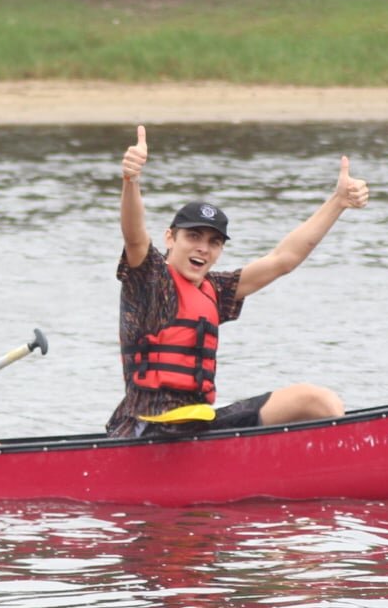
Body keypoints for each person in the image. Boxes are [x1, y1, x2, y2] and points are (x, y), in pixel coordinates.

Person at [107, 125, 369, 439]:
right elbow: (134, 237)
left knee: (318, 401)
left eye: (214, 242)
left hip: (197, 425)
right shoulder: (150, 280)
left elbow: (282, 260)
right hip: (146, 430)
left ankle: (341, 456)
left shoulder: (214, 290)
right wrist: (131, 180)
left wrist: (338, 202)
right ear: (170, 238)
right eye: (193, 236)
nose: (203, 248)